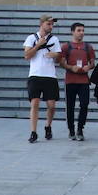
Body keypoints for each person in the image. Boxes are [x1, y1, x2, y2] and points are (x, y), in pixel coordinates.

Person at [22, 14, 62, 143]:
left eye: (52, 24)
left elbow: (59, 56)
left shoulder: (54, 39)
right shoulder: (31, 38)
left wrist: (55, 55)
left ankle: (48, 125)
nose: (51, 26)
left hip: (50, 75)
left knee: (51, 105)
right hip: (35, 75)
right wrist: (38, 45)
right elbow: (27, 56)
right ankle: (33, 132)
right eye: (48, 24)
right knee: (35, 103)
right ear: (42, 24)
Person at [61, 22, 96, 141]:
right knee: (69, 106)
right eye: (79, 30)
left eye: (83, 30)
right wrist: (71, 67)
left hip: (84, 81)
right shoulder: (66, 46)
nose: (81, 33)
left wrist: (88, 67)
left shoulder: (88, 47)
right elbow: (61, 62)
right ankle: (71, 130)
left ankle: (80, 129)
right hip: (70, 81)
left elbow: (92, 62)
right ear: (73, 32)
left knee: (84, 104)